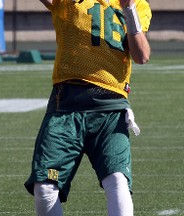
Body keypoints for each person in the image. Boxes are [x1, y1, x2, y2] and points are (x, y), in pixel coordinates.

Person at [24, 0, 152, 215]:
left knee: (117, 180)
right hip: (65, 106)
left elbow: (142, 56)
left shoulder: (138, 4)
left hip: (110, 108)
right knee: (46, 184)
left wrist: (128, 8)